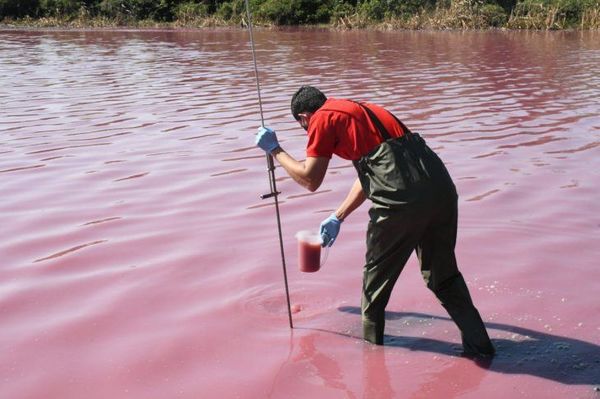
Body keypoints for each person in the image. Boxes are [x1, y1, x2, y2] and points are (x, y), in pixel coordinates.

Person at [255, 85, 495, 356]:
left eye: (303, 127)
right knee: (444, 278)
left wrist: (275, 150)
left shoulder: (320, 118)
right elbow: (376, 170)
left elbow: (310, 179)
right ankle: (482, 349)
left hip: (400, 202)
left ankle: (371, 361)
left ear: (303, 117)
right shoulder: (366, 111)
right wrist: (338, 216)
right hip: (441, 190)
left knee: (374, 284)